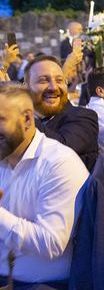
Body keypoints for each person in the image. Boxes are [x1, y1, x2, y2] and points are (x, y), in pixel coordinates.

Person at [0, 83, 89, 287]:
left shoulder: (58, 163)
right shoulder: (4, 155)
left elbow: (51, 243)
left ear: (27, 119)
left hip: (39, 284)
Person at [24, 55, 99, 172]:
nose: (53, 87)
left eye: (59, 80)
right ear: (26, 89)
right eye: (43, 80)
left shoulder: (83, 117)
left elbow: (62, 149)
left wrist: (22, 112)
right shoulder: (15, 124)